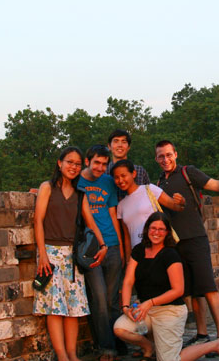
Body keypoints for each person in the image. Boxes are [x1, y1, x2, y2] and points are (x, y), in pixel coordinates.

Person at [114, 212, 219, 361]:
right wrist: (126, 307)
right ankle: (149, 347)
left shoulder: (171, 255)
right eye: (153, 228)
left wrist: (150, 302)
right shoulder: (139, 250)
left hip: (170, 311)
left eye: (161, 229)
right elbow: (128, 281)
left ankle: (217, 345)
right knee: (120, 328)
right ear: (147, 230)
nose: (156, 233)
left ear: (167, 233)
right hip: (146, 310)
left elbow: (178, 290)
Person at [155, 140, 219, 349]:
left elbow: (218, 185)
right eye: (161, 156)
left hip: (195, 238)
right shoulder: (159, 183)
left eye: (168, 155)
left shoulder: (188, 173)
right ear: (156, 159)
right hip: (175, 244)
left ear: (176, 154)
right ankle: (202, 334)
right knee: (193, 292)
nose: (165, 159)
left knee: (208, 287)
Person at [33, 146, 109, 361]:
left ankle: (73, 355)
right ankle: (62, 356)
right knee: (55, 308)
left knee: (74, 308)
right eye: (69, 162)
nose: (73, 167)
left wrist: (103, 246)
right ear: (60, 163)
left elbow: (90, 221)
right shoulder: (47, 187)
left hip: (72, 255)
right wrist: (42, 255)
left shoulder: (80, 194)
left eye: (77, 163)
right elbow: (38, 220)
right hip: (50, 251)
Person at [78, 145, 124, 361]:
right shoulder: (77, 181)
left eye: (105, 164)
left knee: (113, 299)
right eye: (97, 162)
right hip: (91, 247)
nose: (100, 167)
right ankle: (106, 348)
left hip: (112, 244)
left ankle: (118, 343)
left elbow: (113, 214)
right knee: (98, 298)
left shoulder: (107, 182)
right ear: (88, 161)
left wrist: (121, 249)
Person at [111, 159, 185, 254]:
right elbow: (127, 238)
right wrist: (128, 260)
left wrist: (181, 202)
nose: (120, 180)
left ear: (133, 174)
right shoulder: (121, 205)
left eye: (123, 175)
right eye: (116, 177)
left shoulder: (149, 189)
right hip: (138, 254)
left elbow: (175, 206)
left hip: (158, 250)